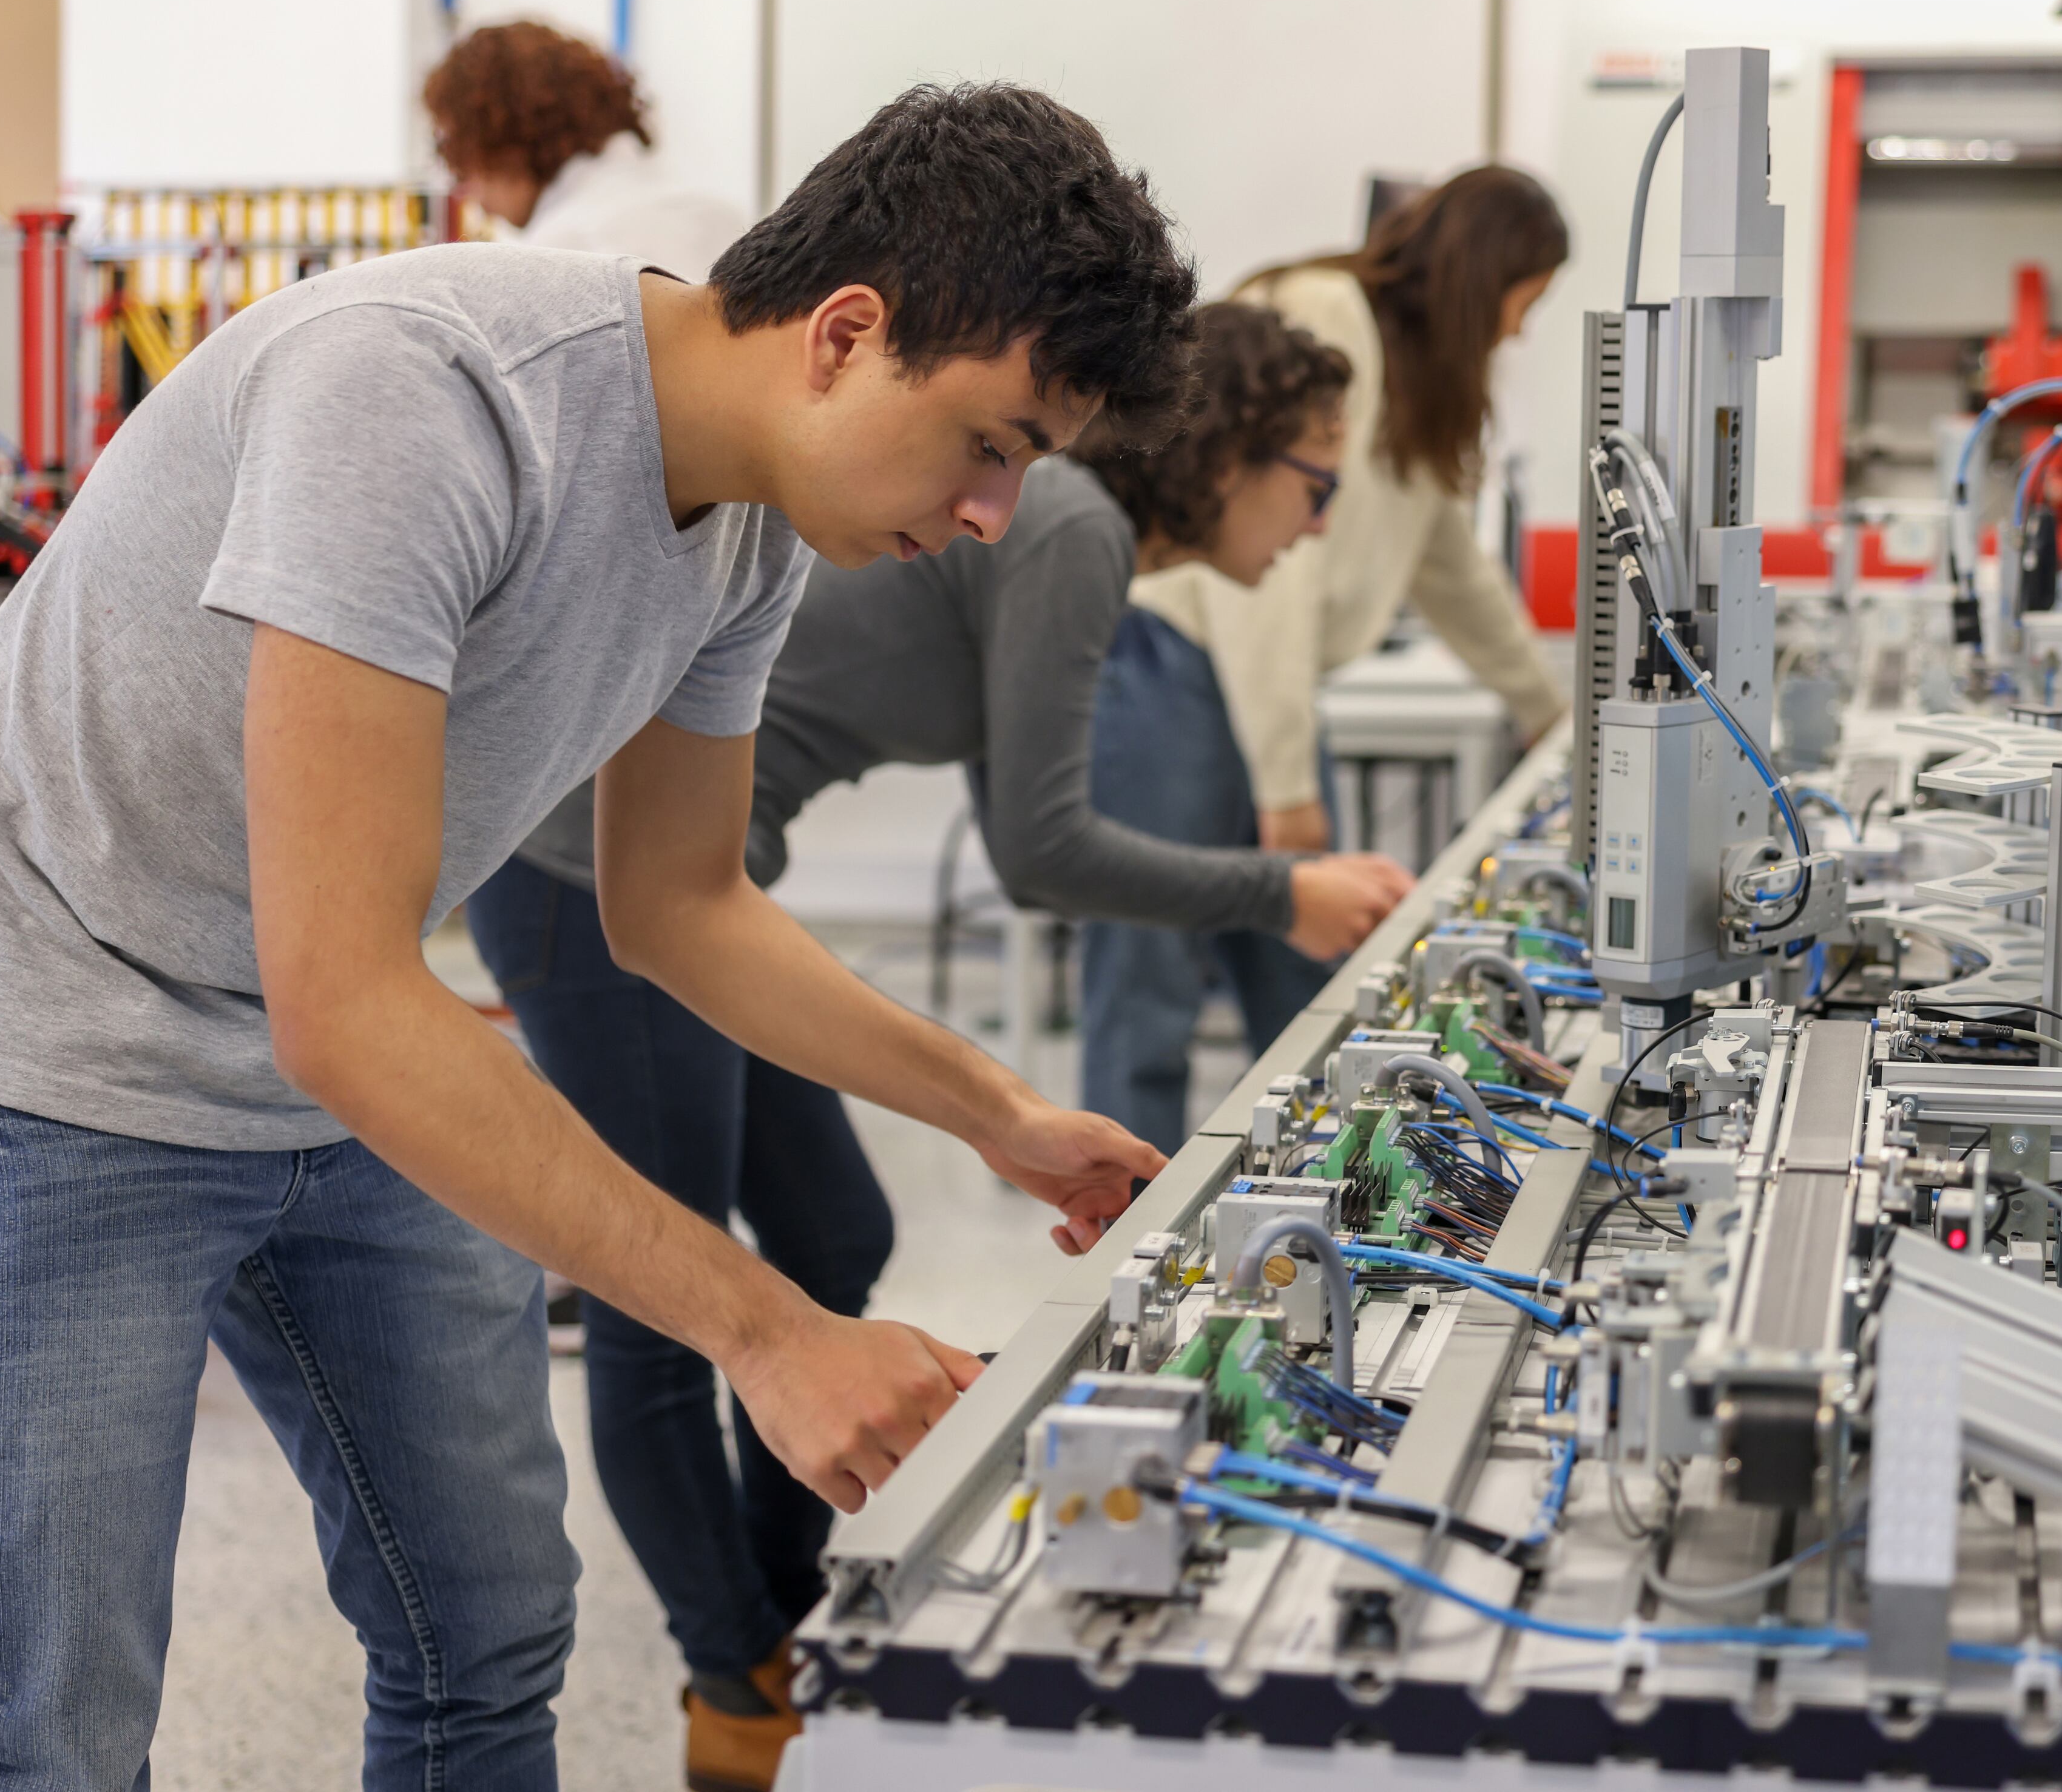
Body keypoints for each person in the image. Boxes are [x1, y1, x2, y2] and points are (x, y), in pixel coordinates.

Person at [0, 82, 1195, 1791]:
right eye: (994, 443)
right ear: (846, 334)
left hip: (330, 1043)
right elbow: (341, 1001)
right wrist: (772, 1328)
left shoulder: (750, 533)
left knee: (484, 1629)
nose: (994, 514)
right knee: (56, 1714)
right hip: (54, 1033)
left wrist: (994, 1112)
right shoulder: (425, 396)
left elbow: (682, 904)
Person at [468, 301, 1410, 1782]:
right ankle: (741, 1680)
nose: (1322, 525)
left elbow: (1021, 823)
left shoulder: (1067, 537)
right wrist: (1278, 891)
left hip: (704, 883)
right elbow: (1043, 853)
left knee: (834, 1231)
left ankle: (779, 1614)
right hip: (579, 874)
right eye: (1317, 481)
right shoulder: (1076, 528)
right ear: (1231, 456)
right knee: (667, 1308)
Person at [1086, 166, 1572, 1141]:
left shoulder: (1415, 378)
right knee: (1151, 976)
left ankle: (1317, 1205)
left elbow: (1448, 563)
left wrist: (1552, 713)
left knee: (1316, 969)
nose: (1519, 331)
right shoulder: (1324, 313)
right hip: (1176, 660)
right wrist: (1285, 777)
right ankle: (1123, 1227)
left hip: (1267, 693)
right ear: (1488, 276)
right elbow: (1263, 577)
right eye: (1526, 302)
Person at [425, 18, 746, 276]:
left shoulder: (559, 253)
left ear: (506, 142)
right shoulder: (724, 218)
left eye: (460, 159)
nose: (465, 188)